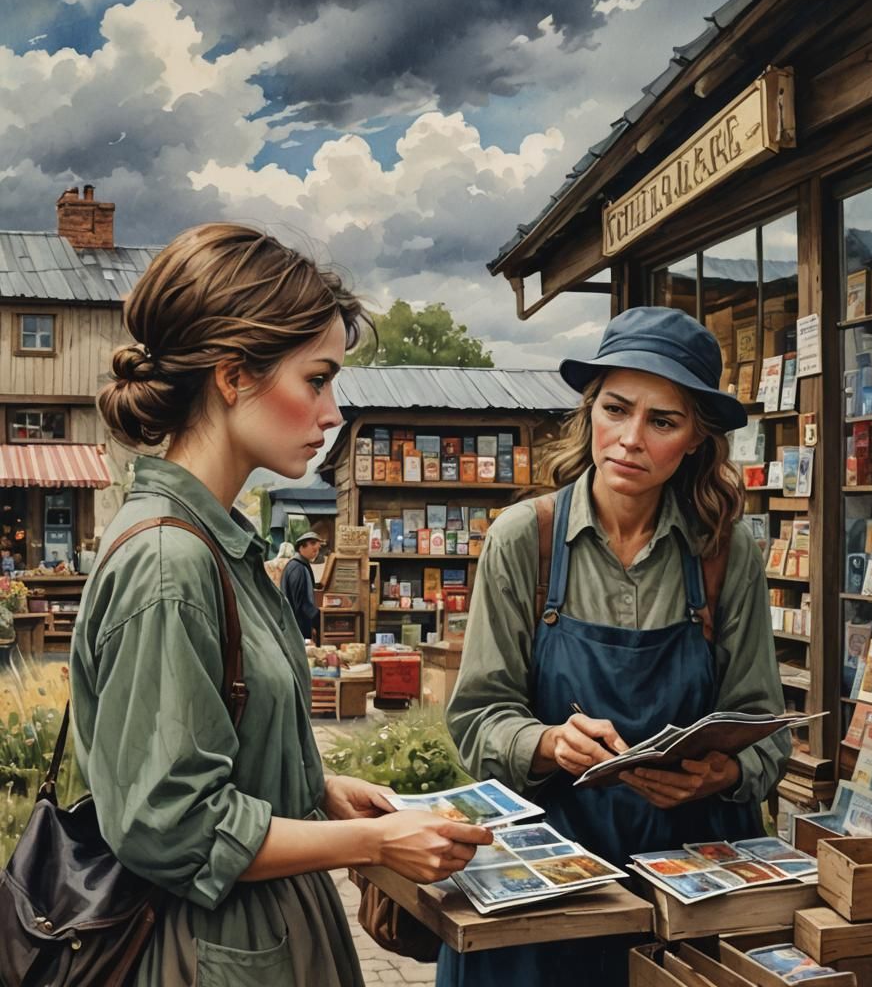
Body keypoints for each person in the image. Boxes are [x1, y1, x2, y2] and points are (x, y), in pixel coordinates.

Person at [70, 223, 491, 987]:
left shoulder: (216, 542)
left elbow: (217, 754)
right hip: (210, 950)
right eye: (317, 379)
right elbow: (169, 824)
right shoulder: (172, 561)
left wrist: (319, 791)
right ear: (234, 377)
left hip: (259, 933)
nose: (332, 413)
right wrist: (376, 846)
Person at [441, 306, 791, 986]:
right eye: (615, 409)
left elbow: (764, 726)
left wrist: (721, 774)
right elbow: (477, 717)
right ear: (589, 410)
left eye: (663, 421)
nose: (630, 439)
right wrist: (547, 744)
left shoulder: (723, 554)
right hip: (549, 879)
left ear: (695, 439)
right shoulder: (526, 541)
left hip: (689, 881)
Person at [282, 530, 324, 639]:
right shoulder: (297, 567)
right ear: (301, 546)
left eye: (318, 548)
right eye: (313, 544)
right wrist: (319, 618)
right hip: (297, 626)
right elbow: (300, 603)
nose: (316, 550)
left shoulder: (300, 565)